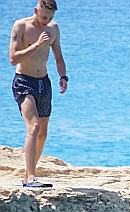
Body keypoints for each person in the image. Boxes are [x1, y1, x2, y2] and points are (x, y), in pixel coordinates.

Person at [8, 0, 68, 189]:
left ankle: (28, 176)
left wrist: (63, 76)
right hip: (24, 82)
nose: (46, 21)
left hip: (44, 83)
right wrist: (36, 44)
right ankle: (32, 177)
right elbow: (12, 59)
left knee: (42, 133)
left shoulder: (53, 28)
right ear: (36, 10)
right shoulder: (21, 26)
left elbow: (58, 57)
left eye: (50, 17)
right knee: (33, 127)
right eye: (43, 17)